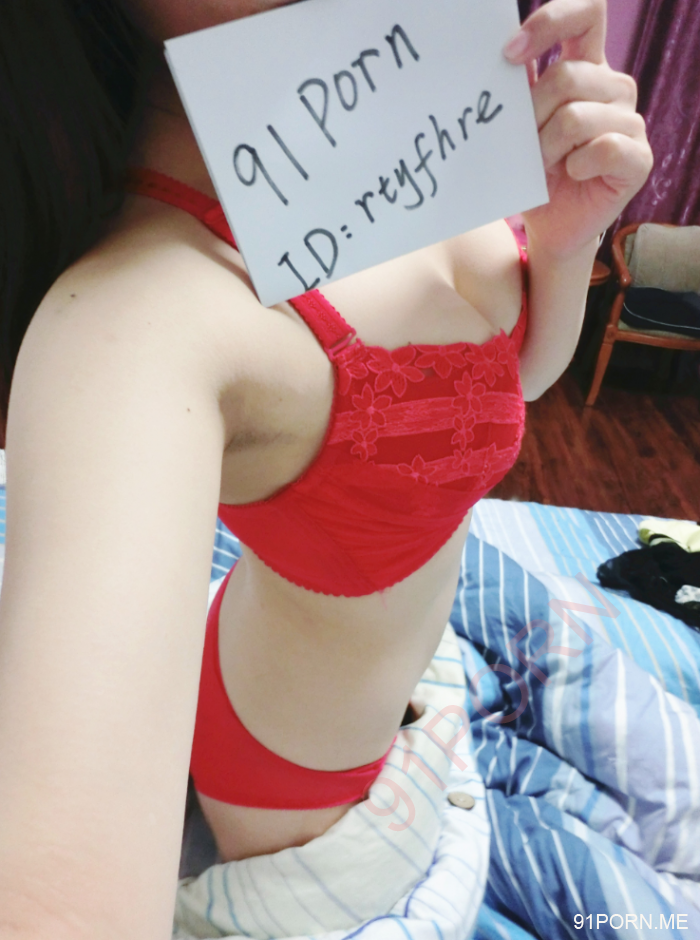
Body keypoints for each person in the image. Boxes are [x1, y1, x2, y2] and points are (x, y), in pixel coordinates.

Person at [0, 0, 651, 938]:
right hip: (296, 786)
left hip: (351, 673)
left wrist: (564, 240)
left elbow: (506, 388)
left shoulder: (400, 112)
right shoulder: (131, 324)